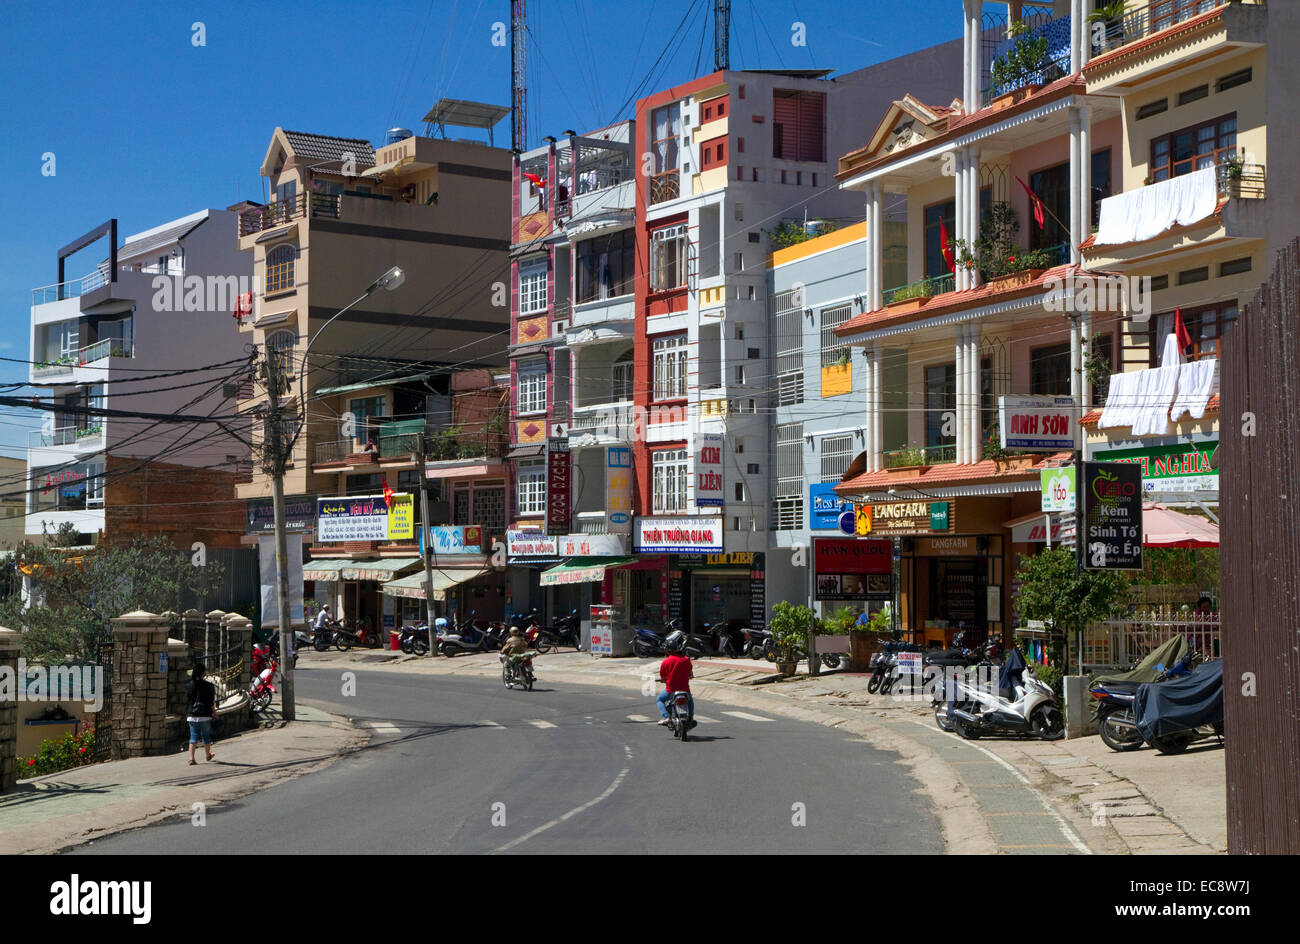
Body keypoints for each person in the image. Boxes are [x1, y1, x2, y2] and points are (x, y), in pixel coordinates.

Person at [656, 632, 694, 726]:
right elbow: (690, 673)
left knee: (659, 700)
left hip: (671, 690)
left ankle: (665, 717)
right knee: (690, 701)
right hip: (685, 689)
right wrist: (690, 676)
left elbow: (663, 677)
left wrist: (663, 680)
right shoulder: (686, 660)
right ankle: (690, 718)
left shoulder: (665, 662)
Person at [186, 664, 216, 764]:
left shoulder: (190, 685)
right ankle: (208, 755)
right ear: (203, 673)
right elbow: (211, 702)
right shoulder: (209, 685)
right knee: (206, 736)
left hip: (192, 715)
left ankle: (191, 758)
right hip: (205, 715)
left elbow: (189, 699)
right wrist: (214, 712)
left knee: (193, 737)